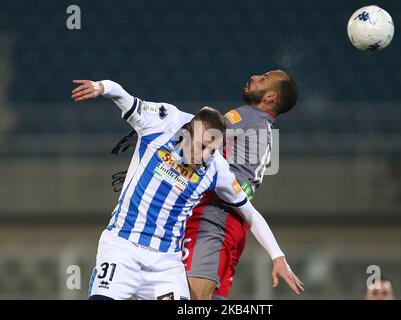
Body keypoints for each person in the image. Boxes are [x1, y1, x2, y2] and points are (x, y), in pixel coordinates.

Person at [71, 79, 303, 300]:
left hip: (166, 264)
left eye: (212, 150)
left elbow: (249, 212)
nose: (204, 156)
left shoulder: (216, 169)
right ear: (187, 133)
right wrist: (100, 87)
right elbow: (122, 95)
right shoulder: (161, 125)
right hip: (123, 247)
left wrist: (278, 256)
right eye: (202, 146)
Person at [183, 70, 299, 299]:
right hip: (234, 224)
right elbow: (242, 187)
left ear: (271, 97)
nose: (255, 77)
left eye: (263, 79)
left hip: (212, 218)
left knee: (189, 297)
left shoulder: (246, 116)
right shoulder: (265, 131)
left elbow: (197, 139)